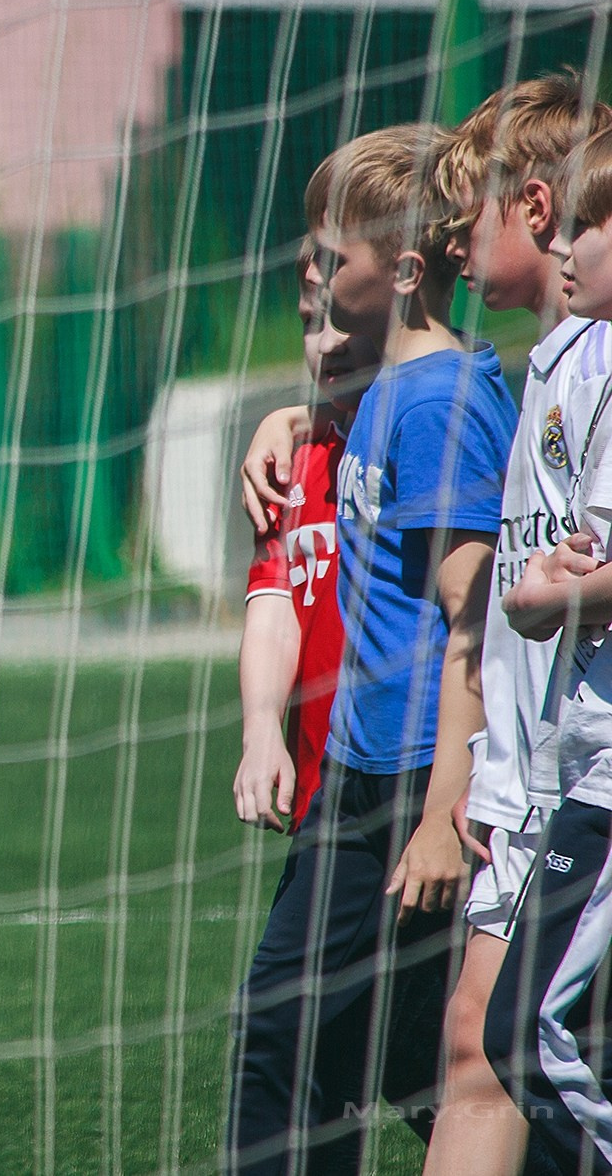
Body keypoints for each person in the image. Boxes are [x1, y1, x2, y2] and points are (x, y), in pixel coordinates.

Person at [226, 124, 515, 1175]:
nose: (310, 268)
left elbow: (469, 622)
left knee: (293, 1041)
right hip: (354, 772)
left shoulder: (435, 401)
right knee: (366, 1051)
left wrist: (442, 817)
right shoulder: (385, 395)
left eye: (329, 252)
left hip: (403, 788)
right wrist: (292, 414)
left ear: (398, 270)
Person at [420, 76, 611, 1176]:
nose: (451, 243)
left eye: (469, 218)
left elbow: (564, 589)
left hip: (576, 773)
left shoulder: (595, 360)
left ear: (534, 211)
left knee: (506, 1046)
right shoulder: (538, 363)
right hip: (533, 772)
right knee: (479, 1044)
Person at [489, 124, 612, 1173]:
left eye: (585, 226)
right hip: (577, 750)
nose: (560, 247)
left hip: (607, 769)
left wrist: (545, 603)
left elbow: (580, 582)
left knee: (520, 1035)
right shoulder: (585, 363)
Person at [234, 239, 375, 837]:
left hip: (420, 782)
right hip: (323, 791)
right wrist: (262, 728)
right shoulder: (292, 464)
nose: (328, 342)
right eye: (312, 322)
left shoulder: (432, 433)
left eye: (344, 319)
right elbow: (273, 608)